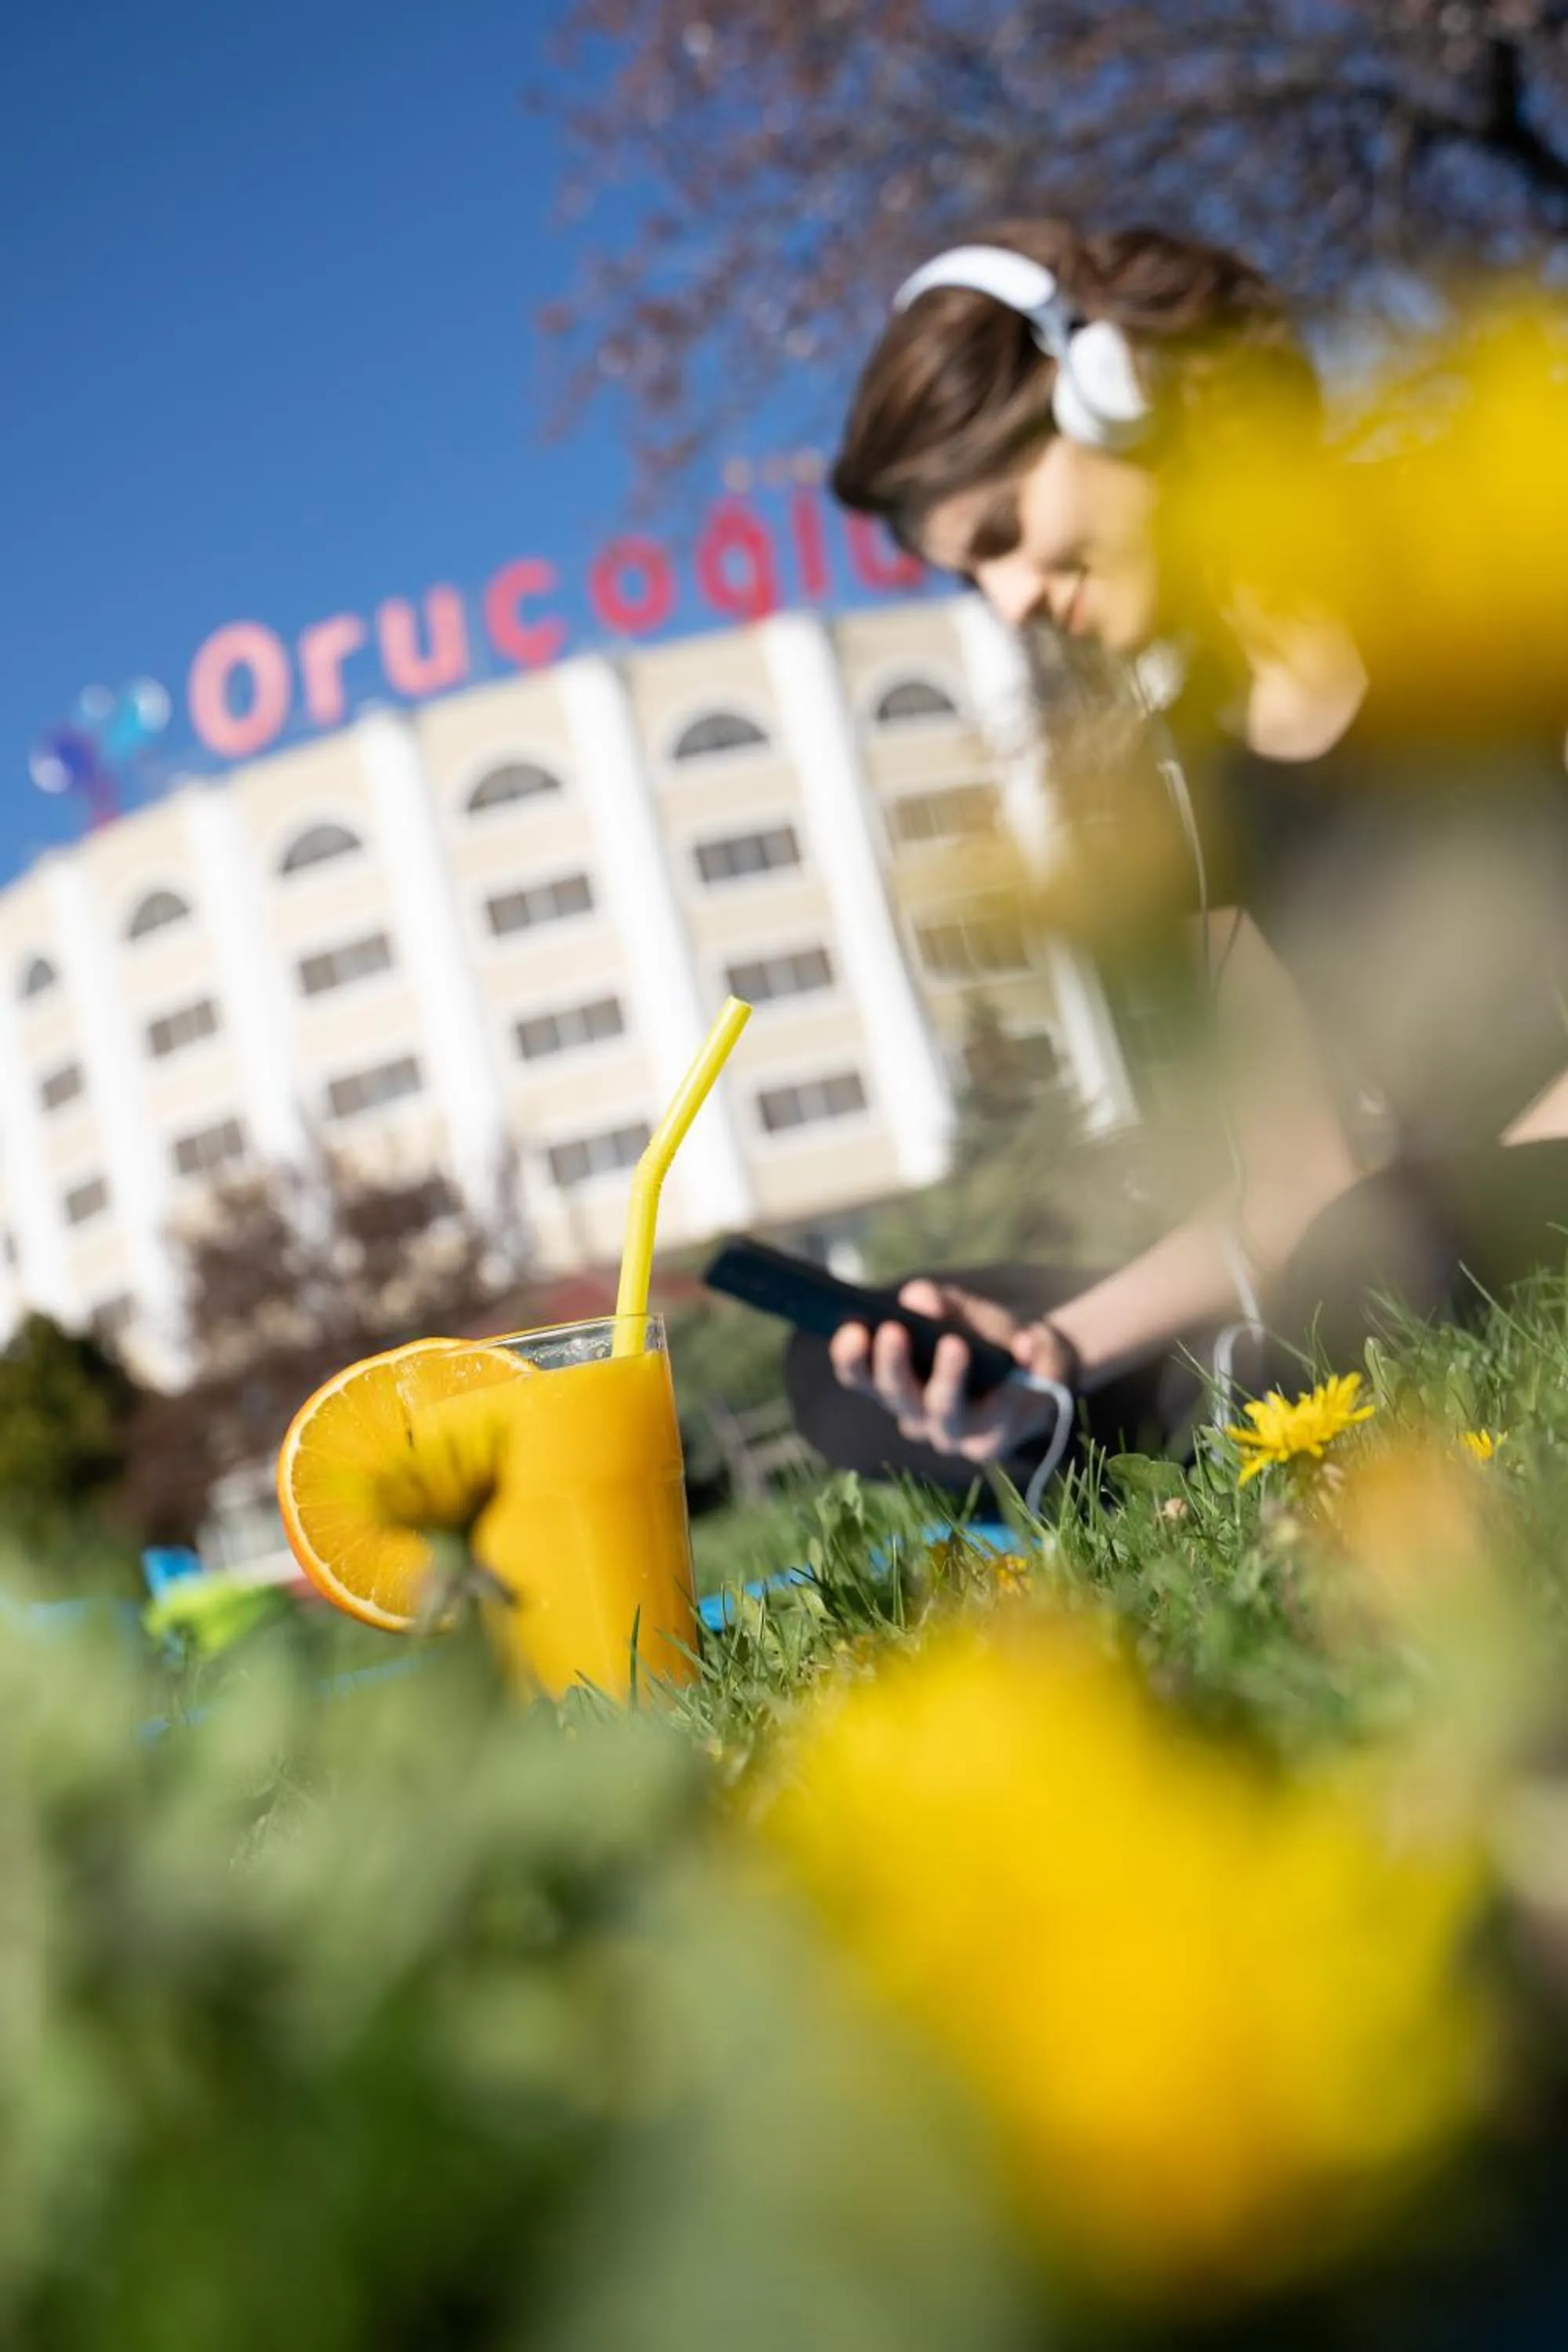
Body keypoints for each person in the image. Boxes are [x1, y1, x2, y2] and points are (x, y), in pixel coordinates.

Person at [785, 220, 1568, 1496]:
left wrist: (1420, 1215)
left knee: (1361, 1281)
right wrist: (1044, 1350)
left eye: (1001, 531)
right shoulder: (1192, 778)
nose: (1010, 603)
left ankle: (1235, 1389)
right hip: (1405, 1231)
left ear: (1122, 396)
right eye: (969, 579)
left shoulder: (1473, 560)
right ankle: (1085, 1416)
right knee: (849, 1370)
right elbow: (1297, 1175)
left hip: (1485, 1201)